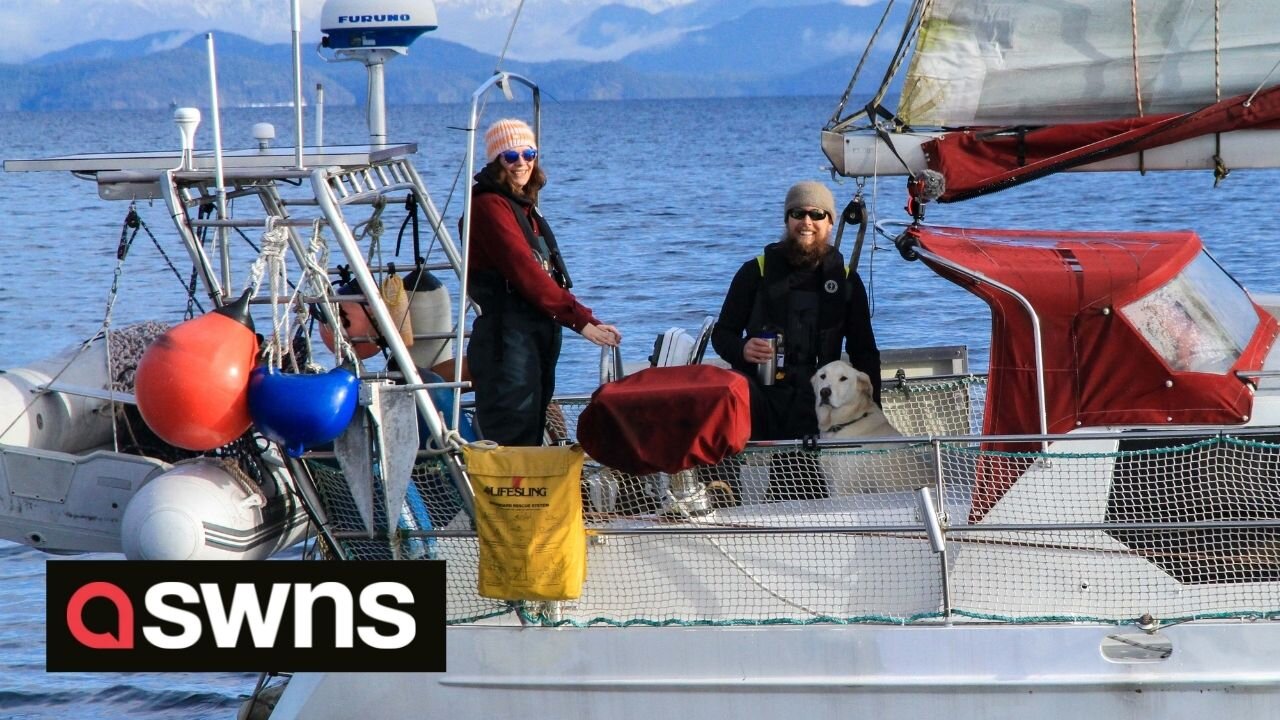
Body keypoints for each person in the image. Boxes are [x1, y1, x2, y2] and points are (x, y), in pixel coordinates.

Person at [710, 181, 881, 499]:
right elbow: (722, 335)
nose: (807, 222)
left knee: (799, 490)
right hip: (762, 391)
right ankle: (722, 495)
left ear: (830, 222)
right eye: (797, 213)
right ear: (787, 220)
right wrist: (743, 348)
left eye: (817, 214)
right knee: (719, 398)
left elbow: (865, 353)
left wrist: (874, 410)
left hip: (815, 400)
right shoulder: (754, 273)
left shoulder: (846, 282)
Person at [465, 118, 621, 446]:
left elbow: (547, 278)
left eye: (528, 153)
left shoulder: (524, 208)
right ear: (496, 161)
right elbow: (526, 273)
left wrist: (589, 319)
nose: (521, 162)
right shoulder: (488, 206)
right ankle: (509, 495)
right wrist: (581, 323)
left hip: (534, 335)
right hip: (506, 341)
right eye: (511, 156)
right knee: (513, 434)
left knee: (533, 426)